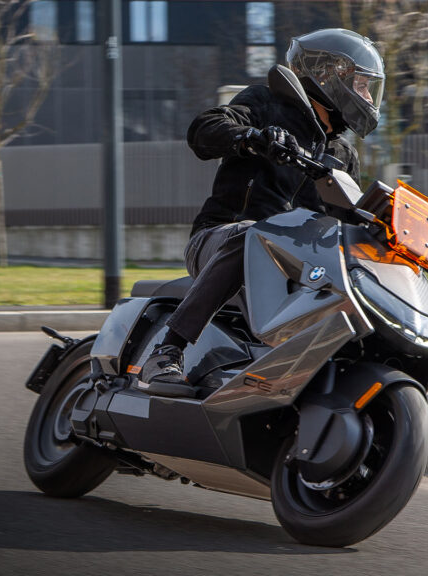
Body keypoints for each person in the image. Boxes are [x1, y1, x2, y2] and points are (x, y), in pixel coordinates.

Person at [135, 28, 386, 398]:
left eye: (369, 88)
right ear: (331, 76)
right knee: (255, 235)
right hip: (221, 239)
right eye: (362, 85)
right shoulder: (266, 103)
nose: (366, 96)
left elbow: (344, 224)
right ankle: (167, 352)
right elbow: (203, 130)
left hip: (292, 265)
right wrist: (252, 137)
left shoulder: (343, 156)